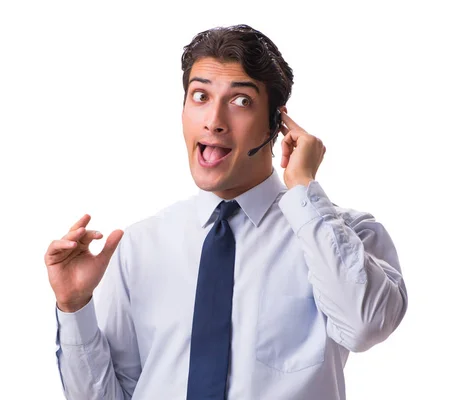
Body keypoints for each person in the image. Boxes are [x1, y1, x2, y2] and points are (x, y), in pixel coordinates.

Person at [44, 24, 408, 400]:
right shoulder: (139, 246)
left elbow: (366, 326)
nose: (214, 120)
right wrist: (74, 308)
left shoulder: (342, 235)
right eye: (200, 95)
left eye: (241, 101)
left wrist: (303, 188)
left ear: (275, 126)